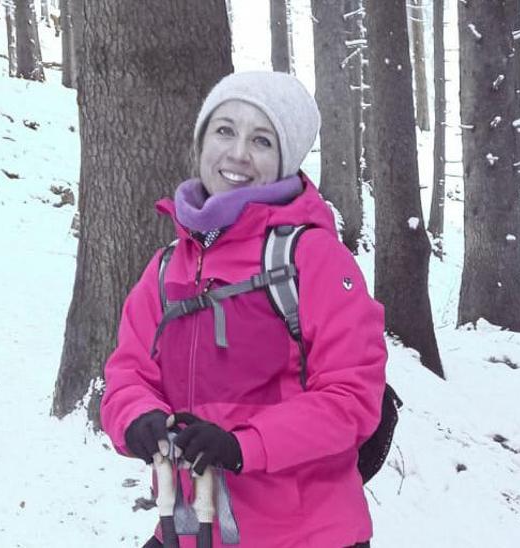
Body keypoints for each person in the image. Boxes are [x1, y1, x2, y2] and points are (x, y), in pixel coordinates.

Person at [99, 71, 388, 548]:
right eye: (225, 130)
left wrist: (242, 445)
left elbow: (352, 397)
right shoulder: (167, 266)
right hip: (191, 529)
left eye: (261, 140)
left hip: (305, 534)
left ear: (284, 160)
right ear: (202, 141)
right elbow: (128, 374)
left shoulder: (312, 259)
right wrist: (137, 417)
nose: (237, 154)